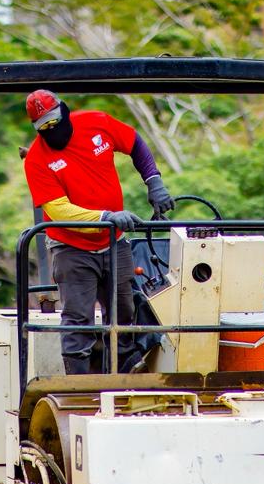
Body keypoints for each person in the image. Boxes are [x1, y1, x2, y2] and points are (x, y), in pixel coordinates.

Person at [22, 89, 174, 374]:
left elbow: (134, 142)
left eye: (55, 121)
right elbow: (59, 212)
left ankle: (125, 369)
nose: (52, 130)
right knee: (78, 318)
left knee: (125, 310)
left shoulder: (97, 123)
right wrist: (107, 217)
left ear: (65, 111)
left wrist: (154, 182)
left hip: (114, 243)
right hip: (72, 248)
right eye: (44, 128)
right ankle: (77, 384)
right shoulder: (36, 160)